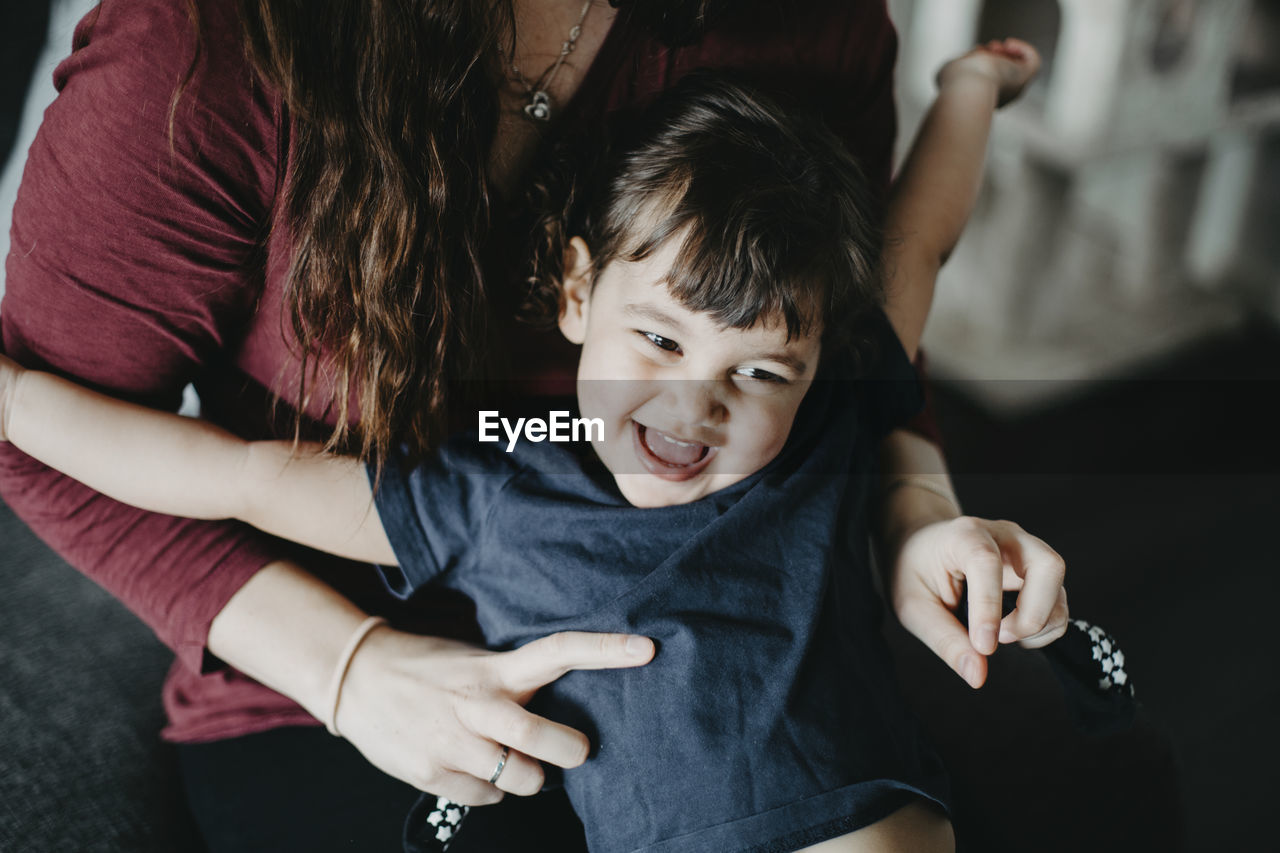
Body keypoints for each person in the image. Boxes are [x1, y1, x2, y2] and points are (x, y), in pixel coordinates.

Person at [0, 40, 1061, 852]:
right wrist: (16, 400)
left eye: (756, 370)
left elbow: (916, 237)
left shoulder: (818, 420)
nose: (694, 405)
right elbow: (239, 473)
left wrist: (968, 88)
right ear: (571, 294)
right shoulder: (512, 467)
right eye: (657, 338)